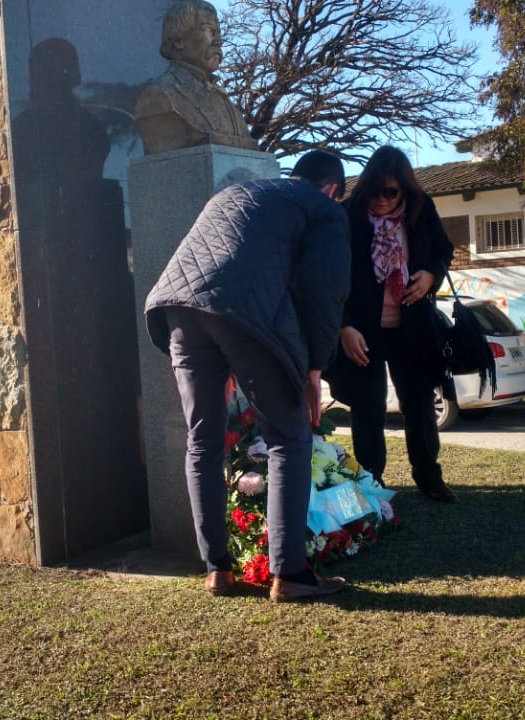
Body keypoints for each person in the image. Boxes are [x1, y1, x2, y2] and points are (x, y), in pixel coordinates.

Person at [144, 150, 350, 602]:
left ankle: (217, 570)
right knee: (288, 438)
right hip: (242, 313)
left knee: (202, 440)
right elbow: (325, 289)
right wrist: (315, 367)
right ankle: (290, 574)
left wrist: (222, 355)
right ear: (333, 189)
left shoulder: (237, 194)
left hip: (176, 308)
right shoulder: (325, 209)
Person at [325, 145, 457, 502]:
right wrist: (343, 326)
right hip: (362, 329)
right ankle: (372, 485)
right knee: (368, 406)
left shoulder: (420, 210)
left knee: (419, 402)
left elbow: (443, 250)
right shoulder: (348, 215)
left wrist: (430, 275)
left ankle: (429, 478)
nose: (381, 200)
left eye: (390, 192)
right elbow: (330, 275)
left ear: (404, 190)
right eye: (374, 191)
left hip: (411, 326)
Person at [133, 0, 256, 155]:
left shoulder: (226, 102)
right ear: (179, 41)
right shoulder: (159, 95)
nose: (219, 41)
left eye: (218, 33)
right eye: (209, 31)